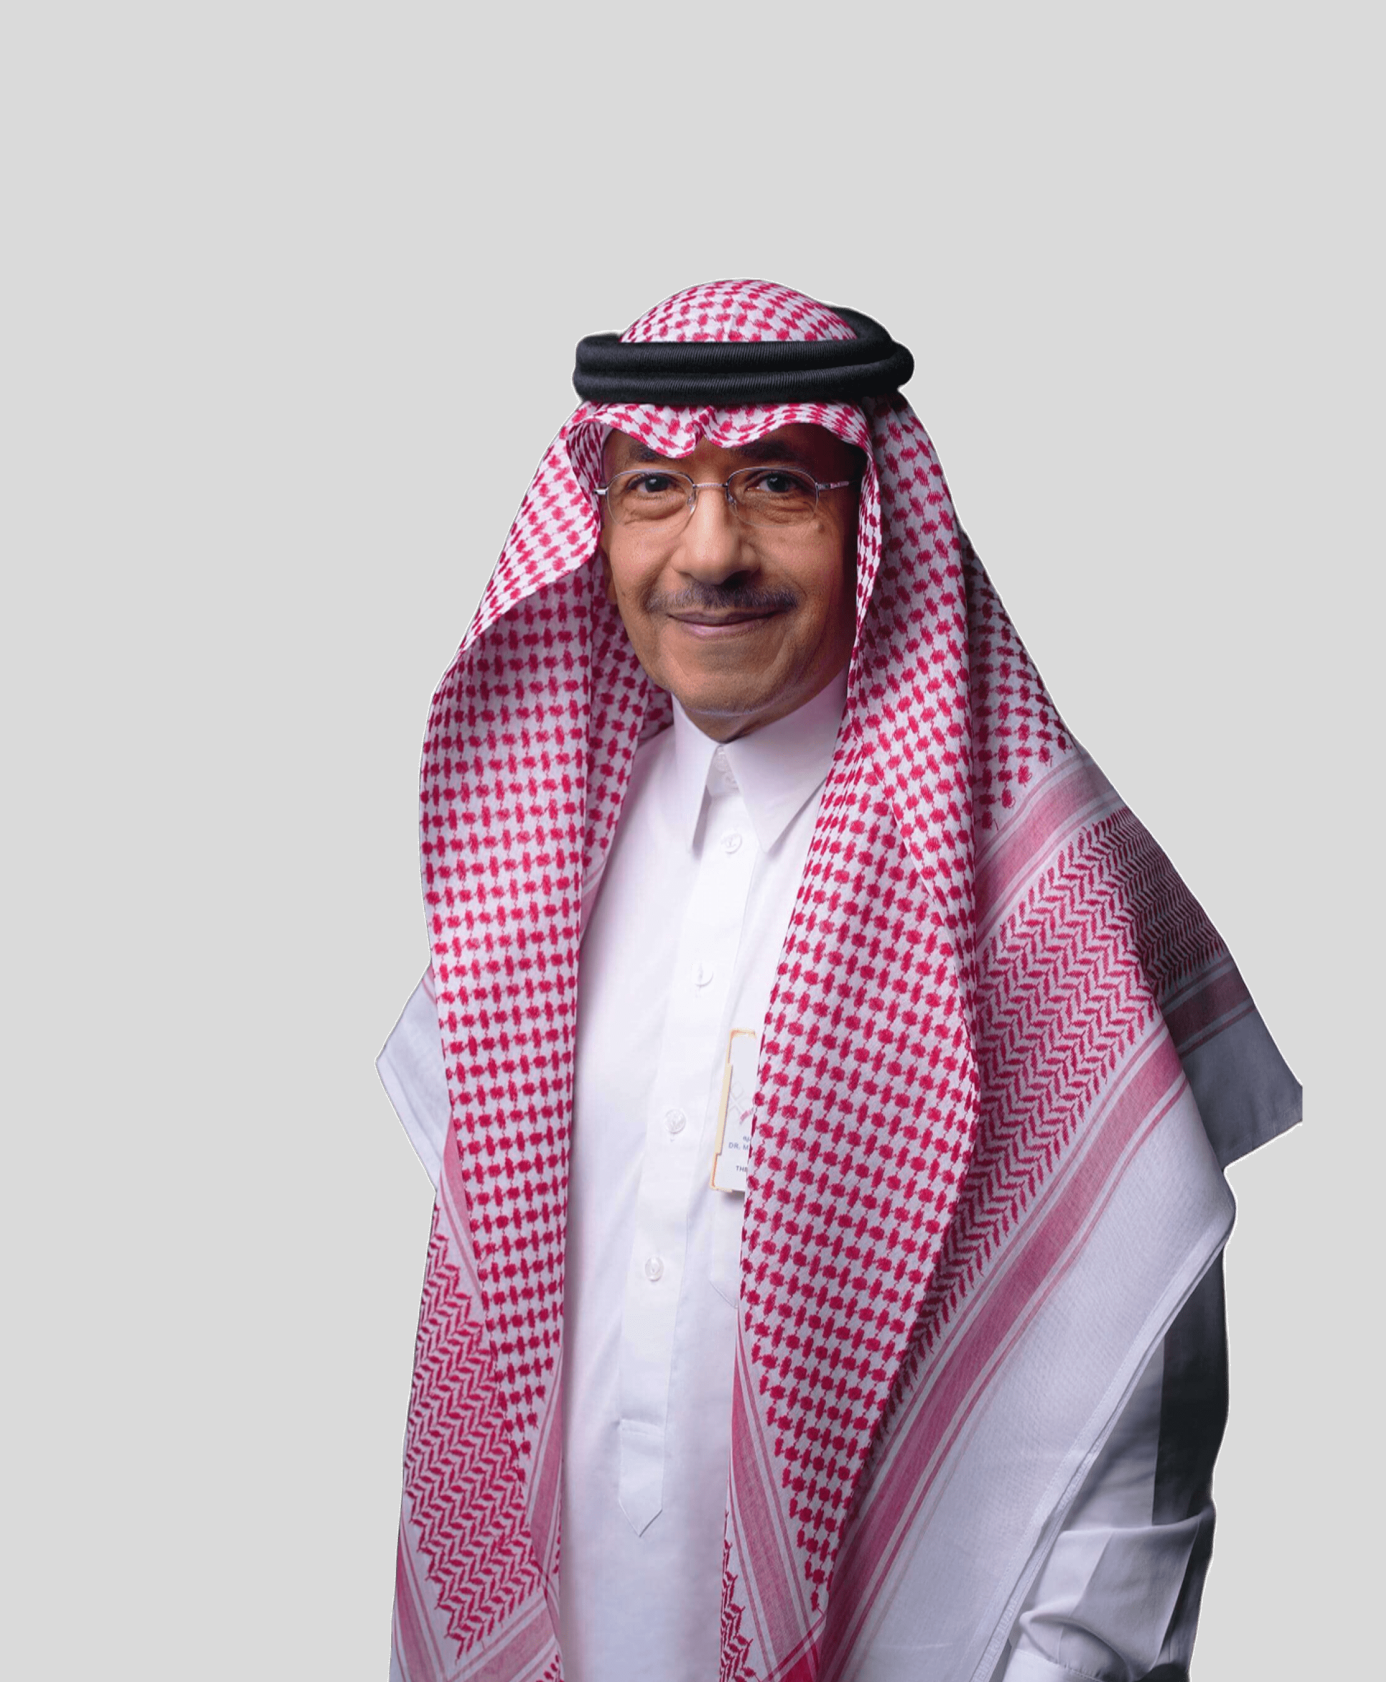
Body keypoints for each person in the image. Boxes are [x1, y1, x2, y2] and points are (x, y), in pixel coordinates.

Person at [378, 279, 1302, 1682]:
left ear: (872, 516)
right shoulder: (538, 867)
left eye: (776, 484)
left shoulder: (1035, 888)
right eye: (653, 487)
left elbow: (1131, 1360)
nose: (709, 552)